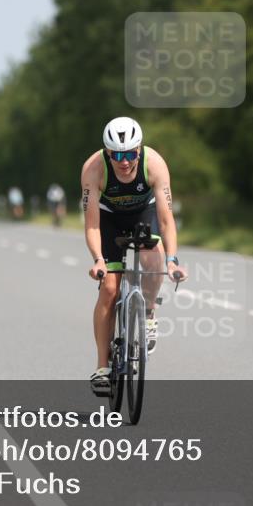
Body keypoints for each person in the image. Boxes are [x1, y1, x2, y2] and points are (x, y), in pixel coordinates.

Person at [80, 117, 187, 395]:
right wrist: (98, 260)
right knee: (109, 289)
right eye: (116, 155)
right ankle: (102, 367)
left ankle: (149, 311)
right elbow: (91, 223)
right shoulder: (93, 169)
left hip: (144, 213)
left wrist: (172, 260)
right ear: (107, 152)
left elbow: (165, 220)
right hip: (108, 218)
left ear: (139, 150)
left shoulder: (155, 164)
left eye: (129, 154)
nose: (124, 162)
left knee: (153, 259)